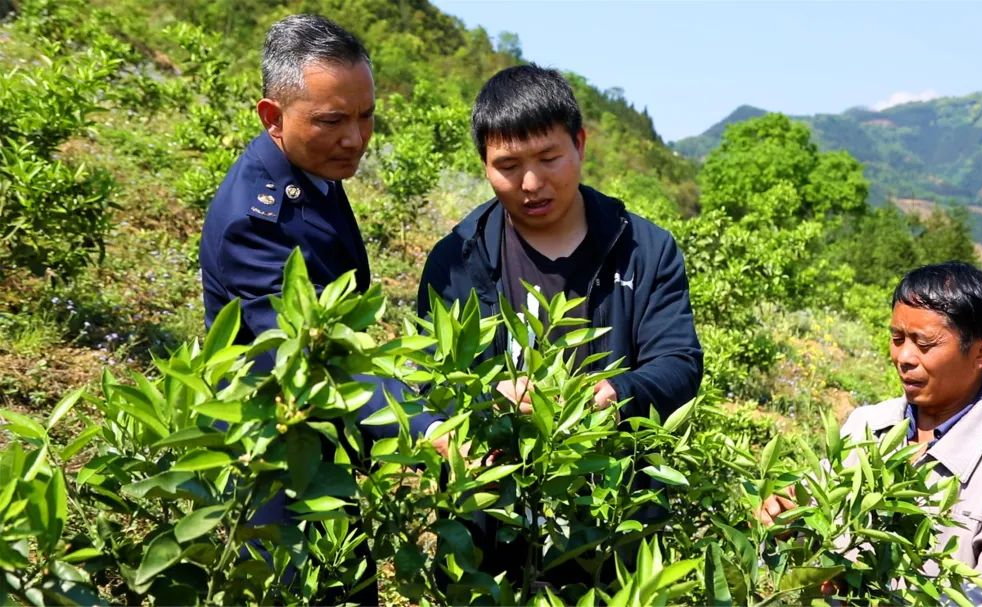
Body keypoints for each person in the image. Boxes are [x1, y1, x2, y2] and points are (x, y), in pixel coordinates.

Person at [417, 64, 703, 585]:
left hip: (614, 532)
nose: (531, 183)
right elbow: (429, 382)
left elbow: (679, 365)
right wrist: (485, 398)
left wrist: (615, 392)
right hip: (490, 537)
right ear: (484, 164)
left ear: (580, 145)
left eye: (549, 158)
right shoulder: (458, 259)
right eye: (508, 166)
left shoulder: (645, 250)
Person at [198, 14, 440, 603]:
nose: (356, 139)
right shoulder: (255, 223)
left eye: (365, 116)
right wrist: (429, 428)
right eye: (333, 121)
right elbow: (314, 356)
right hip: (276, 462)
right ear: (272, 118)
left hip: (323, 441)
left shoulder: (312, 174)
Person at [758, 262, 982, 605]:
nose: (903, 357)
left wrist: (873, 592)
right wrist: (785, 518)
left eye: (924, 343)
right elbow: (812, 523)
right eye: (897, 339)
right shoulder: (867, 425)